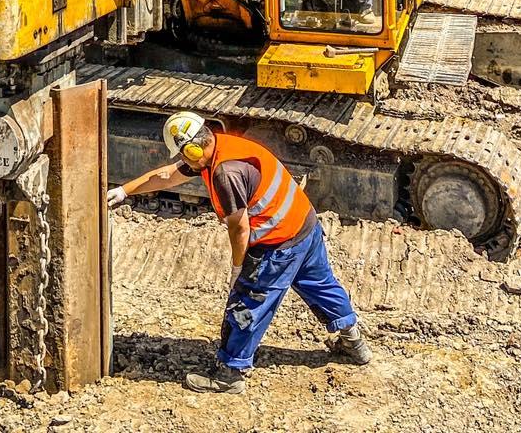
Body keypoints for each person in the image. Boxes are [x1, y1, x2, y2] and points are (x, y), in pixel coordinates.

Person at [106, 112, 372, 394]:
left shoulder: (225, 172)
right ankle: (353, 341)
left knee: (247, 303)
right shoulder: (221, 146)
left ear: (194, 149)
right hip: (305, 225)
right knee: (321, 284)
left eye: (183, 155)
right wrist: (125, 190)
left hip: (278, 243)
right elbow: (167, 175)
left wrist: (237, 269)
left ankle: (230, 373)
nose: (182, 162)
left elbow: (239, 229)